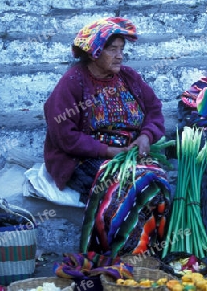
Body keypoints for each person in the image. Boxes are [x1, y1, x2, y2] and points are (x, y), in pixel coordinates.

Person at [43, 17, 172, 257]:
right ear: (94, 52)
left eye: (122, 49)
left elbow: (154, 111)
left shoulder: (129, 78)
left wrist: (145, 136)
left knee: (159, 183)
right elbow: (63, 135)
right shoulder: (73, 82)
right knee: (132, 187)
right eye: (112, 49)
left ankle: (148, 256)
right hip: (86, 158)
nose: (120, 55)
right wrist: (108, 152)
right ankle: (115, 257)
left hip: (129, 153)